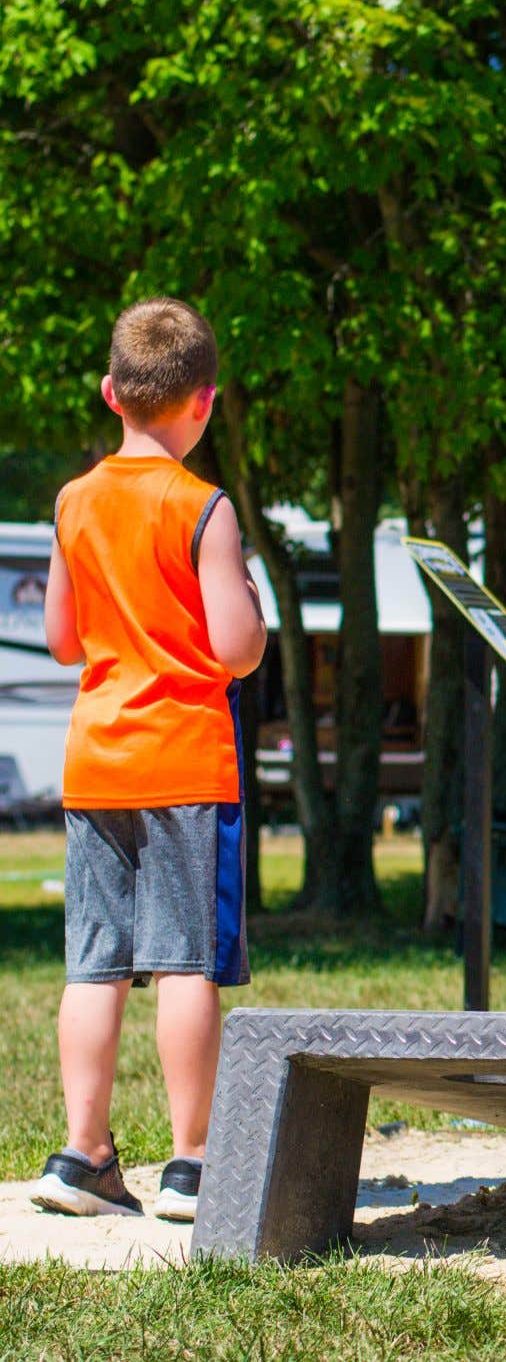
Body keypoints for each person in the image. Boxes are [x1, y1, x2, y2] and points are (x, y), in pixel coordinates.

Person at [33, 298, 267, 1221]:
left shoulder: (73, 500)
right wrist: (250, 602)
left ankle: (83, 1152)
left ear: (110, 392)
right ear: (204, 401)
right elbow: (236, 648)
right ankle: (192, 1162)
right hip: (186, 764)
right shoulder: (203, 505)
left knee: (93, 965)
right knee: (184, 964)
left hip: (97, 763)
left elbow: (62, 640)